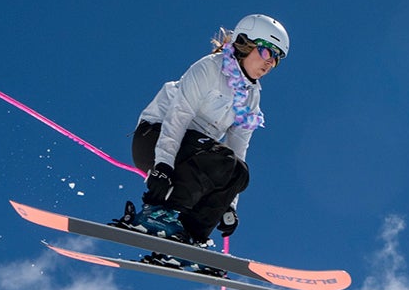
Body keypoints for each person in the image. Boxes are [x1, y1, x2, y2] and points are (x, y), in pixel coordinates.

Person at [115, 15, 289, 268]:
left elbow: (238, 151)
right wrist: (162, 166)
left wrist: (228, 205)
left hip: (194, 155)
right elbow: (178, 116)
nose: (270, 62)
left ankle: (189, 239)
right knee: (222, 160)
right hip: (155, 140)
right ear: (244, 43)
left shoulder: (250, 98)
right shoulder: (209, 68)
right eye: (266, 51)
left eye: (277, 58)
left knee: (240, 172)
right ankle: (156, 214)